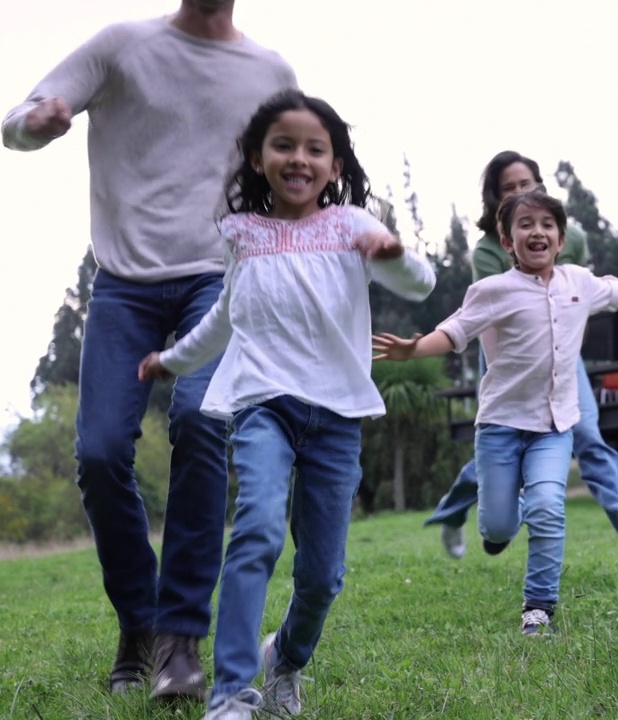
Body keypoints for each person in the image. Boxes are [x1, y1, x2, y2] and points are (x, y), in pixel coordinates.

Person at [0, 0, 297, 698]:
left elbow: (293, 169)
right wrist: (37, 122)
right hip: (125, 285)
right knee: (100, 453)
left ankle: (180, 641)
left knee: (201, 419)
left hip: (219, 281)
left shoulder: (269, 69)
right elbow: (18, 120)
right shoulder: (121, 47)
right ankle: (140, 621)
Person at [139, 90, 435, 719]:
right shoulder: (241, 233)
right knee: (256, 531)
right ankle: (233, 693)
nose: (298, 158)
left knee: (323, 575)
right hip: (262, 404)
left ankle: (286, 663)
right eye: (284, 145)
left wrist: (394, 255)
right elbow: (225, 315)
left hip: (335, 417)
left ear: (333, 164)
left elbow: (422, 283)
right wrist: (173, 360)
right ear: (256, 158)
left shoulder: (353, 224)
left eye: (314, 149)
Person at [374, 189, 618, 635]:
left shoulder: (579, 282)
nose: (536, 231)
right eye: (525, 224)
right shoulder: (492, 290)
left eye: (547, 225)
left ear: (559, 240)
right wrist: (414, 349)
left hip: (553, 427)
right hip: (499, 427)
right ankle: (505, 510)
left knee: (548, 509)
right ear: (507, 240)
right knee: (497, 530)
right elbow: (456, 330)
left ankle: (538, 608)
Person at [423, 151, 618, 579]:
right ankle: (458, 509)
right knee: (501, 450)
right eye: (509, 189)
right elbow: (481, 318)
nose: (521, 193)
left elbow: (586, 294)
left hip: (563, 357)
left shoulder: (569, 239)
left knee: (585, 435)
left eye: (527, 184)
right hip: (507, 357)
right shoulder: (486, 252)